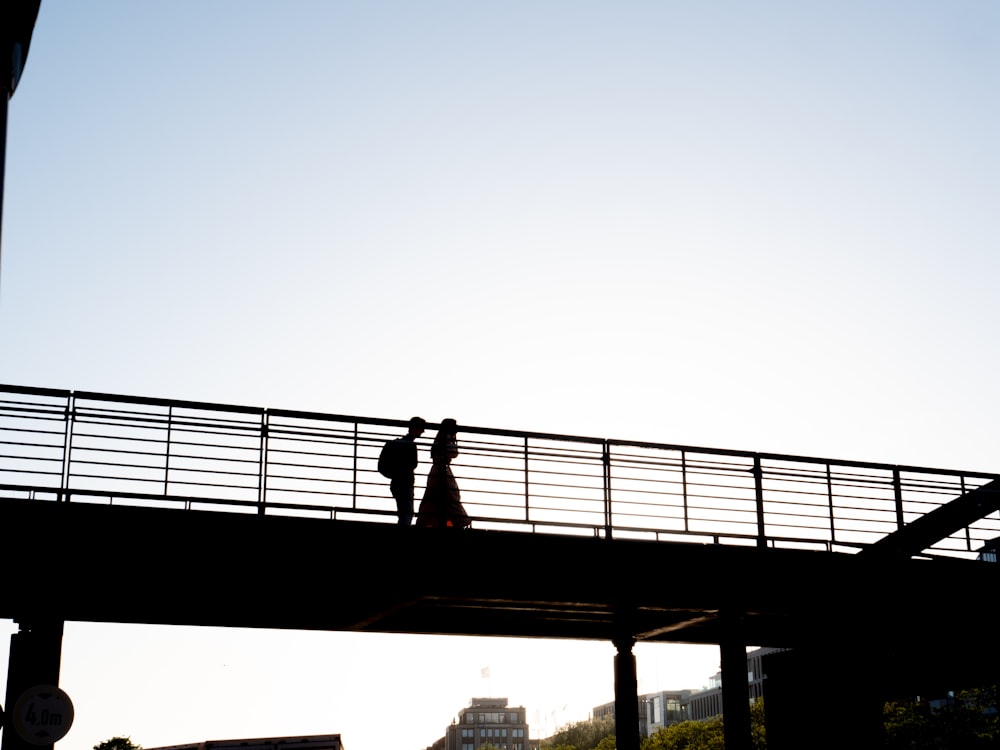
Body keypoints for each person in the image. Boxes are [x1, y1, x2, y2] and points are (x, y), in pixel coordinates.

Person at [416, 418, 471, 528]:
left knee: (435, 497)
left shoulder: (441, 439)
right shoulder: (445, 439)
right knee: (450, 495)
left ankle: (426, 522)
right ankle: (461, 521)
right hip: (442, 470)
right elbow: (454, 453)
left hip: (438, 470)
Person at [389, 416, 426, 526]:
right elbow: (413, 464)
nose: (423, 431)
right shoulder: (410, 445)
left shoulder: (399, 443)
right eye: (422, 428)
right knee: (407, 513)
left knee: (403, 512)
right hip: (405, 483)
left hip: (396, 482)